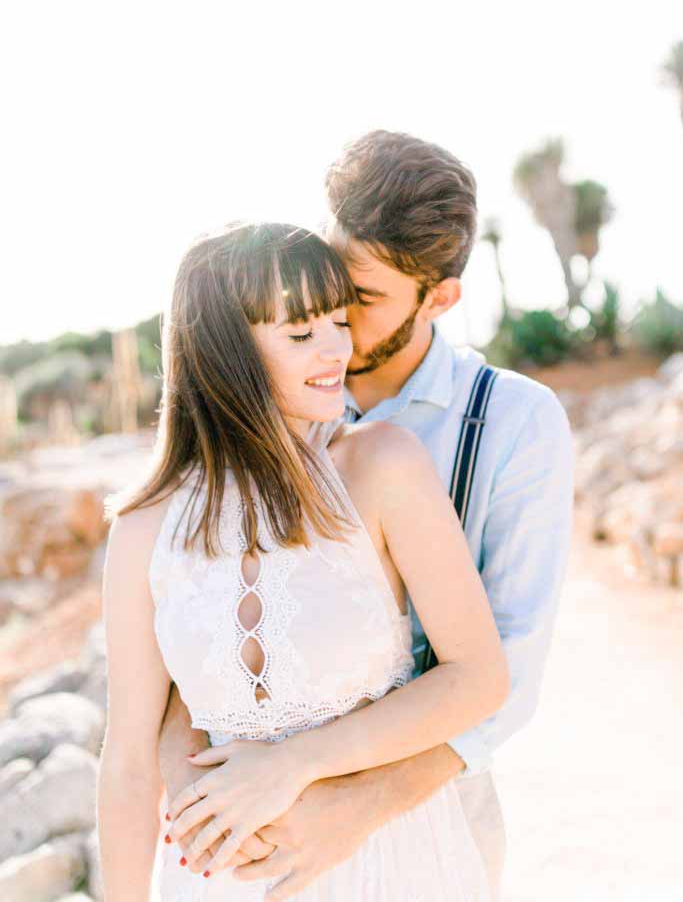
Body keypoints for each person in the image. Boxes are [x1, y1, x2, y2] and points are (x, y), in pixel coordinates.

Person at [157, 133, 574, 900]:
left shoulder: (513, 422)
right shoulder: (271, 401)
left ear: (439, 298)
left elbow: (508, 668)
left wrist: (356, 805)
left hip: (426, 805)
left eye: (364, 300)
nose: (332, 318)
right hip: (251, 815)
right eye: (327, 286)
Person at [97, 221, 509, 901]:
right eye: (300, 334)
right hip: (221, 879)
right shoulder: (144, 526)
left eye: (337, 322)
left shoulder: (382, 464)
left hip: (390, 862)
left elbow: (478, 677)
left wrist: (291, 766)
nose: (337, 351)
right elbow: (129, 761)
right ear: (224, 353)